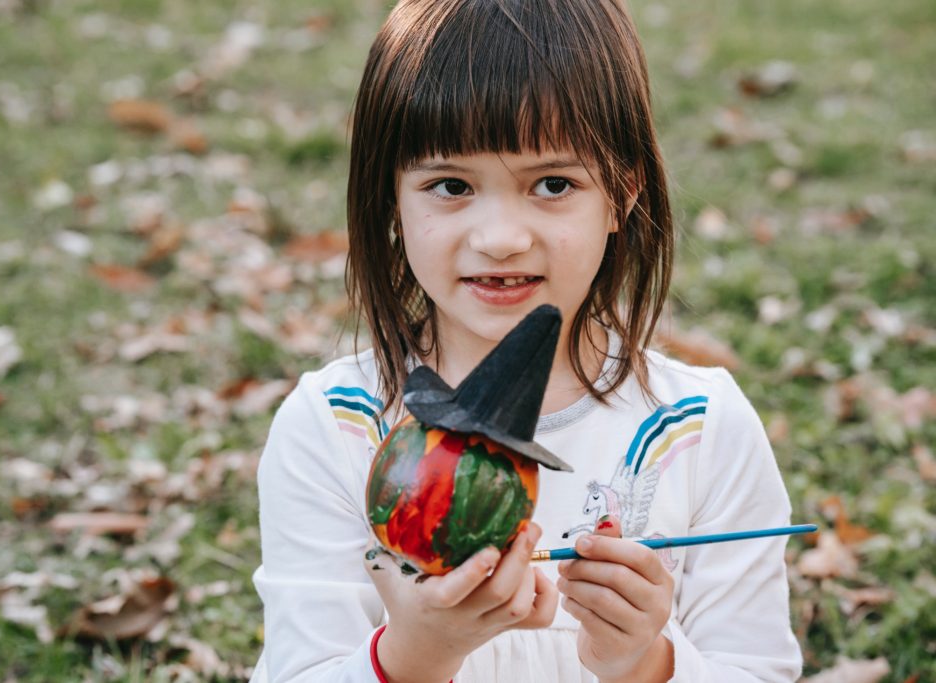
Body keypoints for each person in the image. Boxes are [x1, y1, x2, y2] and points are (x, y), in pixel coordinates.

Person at [251, 0, 803, 681]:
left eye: (552, 183)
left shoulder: (700, 434)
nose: (501, 236)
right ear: (391, 198)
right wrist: (414, 654)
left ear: (623, 193)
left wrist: (646, 662)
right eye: (450, 184)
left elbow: (758, 668)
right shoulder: (336, 429)